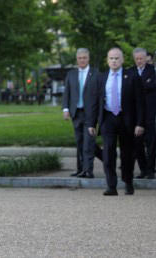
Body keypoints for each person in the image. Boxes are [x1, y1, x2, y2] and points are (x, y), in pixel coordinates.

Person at [88, 47, 145, 196]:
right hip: (108, 119)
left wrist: (140, 123)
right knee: (108, 152)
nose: (114, 61)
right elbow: (95, 102)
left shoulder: (132, 76)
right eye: (111, 58)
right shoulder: (101, 77)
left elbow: (140, 102)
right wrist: (91, 123)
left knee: (127, 153)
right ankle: (111, 186)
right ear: (107, 60)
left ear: (122, 60)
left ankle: (128, 182)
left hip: (126, 119)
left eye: (117, 58)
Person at [61, 48, 102, 178]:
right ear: (77, 59)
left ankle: (88, 170)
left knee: (88, 143)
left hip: (90, 113)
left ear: (88, 59)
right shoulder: (71, 74)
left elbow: (99, 95)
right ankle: (80, 169)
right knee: (79, 142)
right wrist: (65, 109)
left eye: (84, 57)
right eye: (80, 58)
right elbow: (67, 92)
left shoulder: (96, 74)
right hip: (76, 113)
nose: (82, 60)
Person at [132, 47, 156, 179]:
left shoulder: (153, 70)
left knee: (151, 143)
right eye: (136, 59)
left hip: (150, 113)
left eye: (141, 59)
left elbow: (154, 86)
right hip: (136, 115)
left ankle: (150, 171)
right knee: (137, 144)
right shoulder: (130, 72)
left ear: (145, 58)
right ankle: (143, 169)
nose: (139, 61)